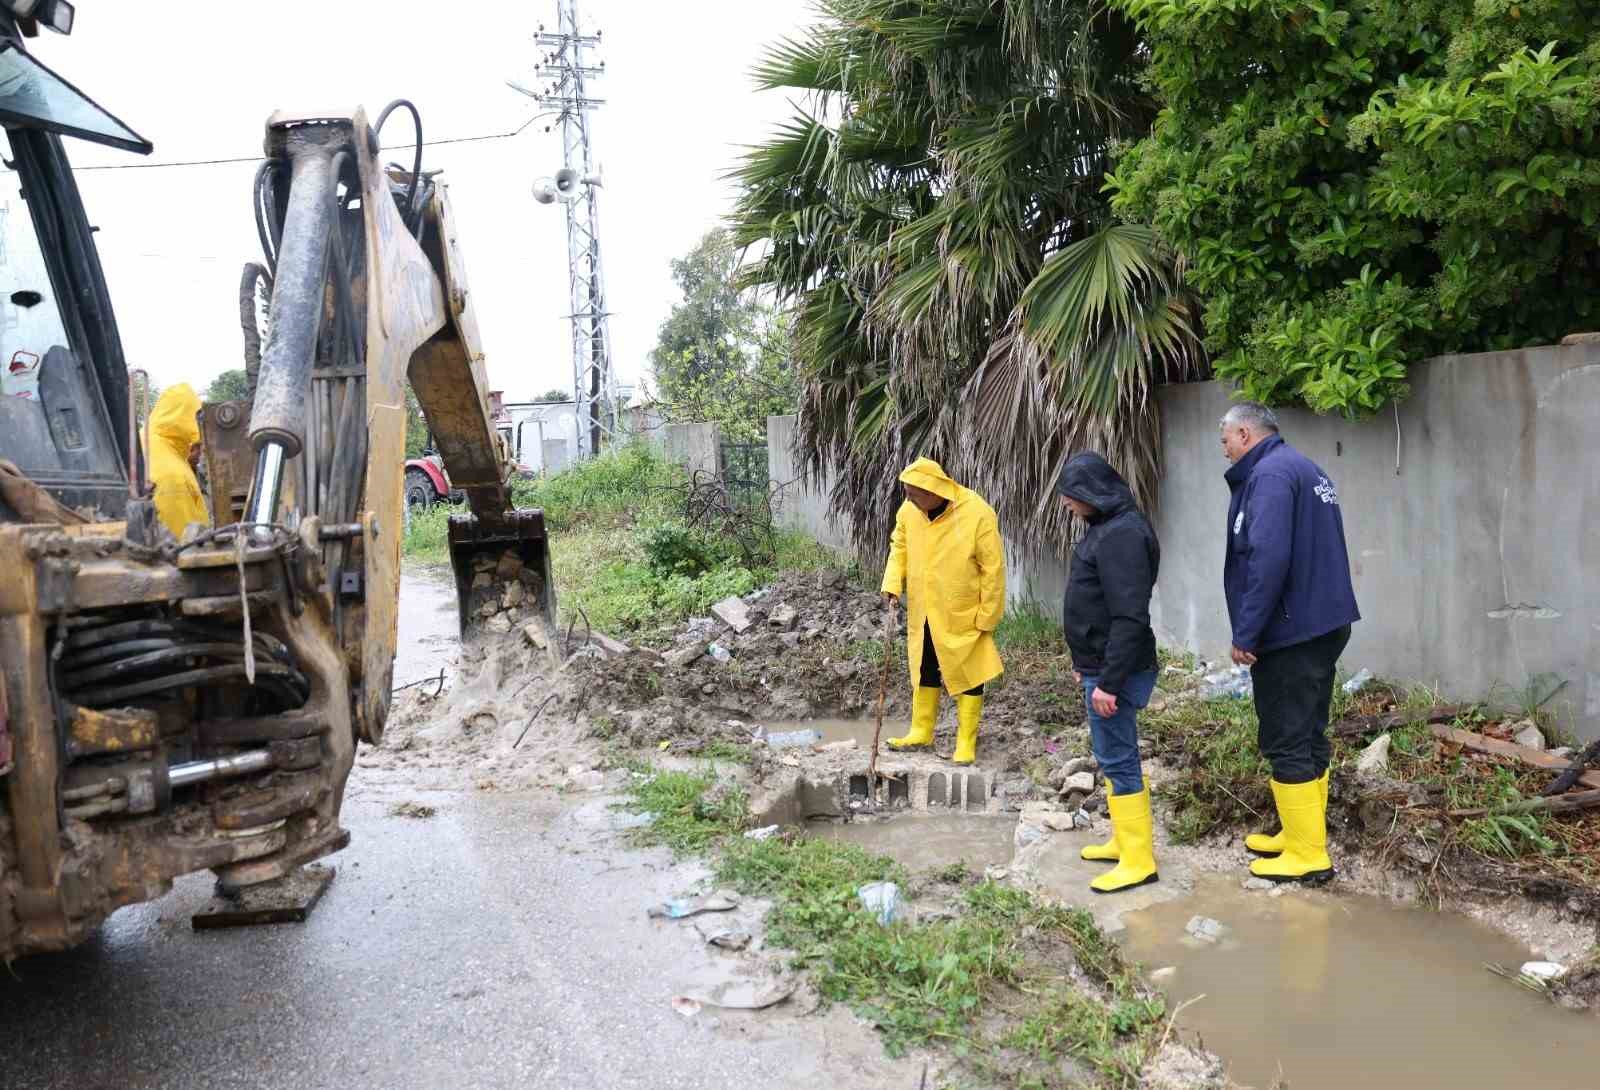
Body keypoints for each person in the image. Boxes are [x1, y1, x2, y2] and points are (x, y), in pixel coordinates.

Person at [1221, 402, 1360, 884]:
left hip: (1292, 631)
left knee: (1286, 734)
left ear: (1244, 433)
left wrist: (1247, 631)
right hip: (1321, 623)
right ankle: (1301, 831)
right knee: (1307, 727)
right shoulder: (1304, 467)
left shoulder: (1271, 476)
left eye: (1225, 440)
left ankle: (1307, 853)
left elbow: (1268, 557)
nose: (1224, 450)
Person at [1057, 452, 1162, 894]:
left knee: (1119, 758)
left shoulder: (1121, 536)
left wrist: (1109, 682)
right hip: (1100, 668)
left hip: (1113, 672)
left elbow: (1129, 617)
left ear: (1090, 493)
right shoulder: (1110, 527)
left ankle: (1139, 860)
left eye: (1069, 497)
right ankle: (1124, 841)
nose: (1065, 505)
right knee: (1112, 755)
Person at [880, 457, 1005, 764]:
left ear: (934, 490)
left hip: (964, 609)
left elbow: (993, 568)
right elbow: (900, 546)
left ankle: (965, 742)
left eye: (914, 494)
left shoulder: (977, 512)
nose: (909, 500)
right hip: (924, 607)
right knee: (925, 665)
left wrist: (988, 615)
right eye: (907, 494)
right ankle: (921, 730)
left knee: (971, 671)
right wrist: (893, 582)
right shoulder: (910, 512)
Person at [147, 383, 210, 539]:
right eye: (199, 446)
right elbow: (186, 546)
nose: (201, 454)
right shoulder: (174, 476)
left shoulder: (145, 441)